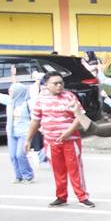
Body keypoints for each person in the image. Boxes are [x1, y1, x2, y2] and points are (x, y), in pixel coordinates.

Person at [25, 72, 95, 208]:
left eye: (61, 83)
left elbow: (79, 116)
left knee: (75, 169)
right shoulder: (41, 99)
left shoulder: (69, 97)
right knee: (58, 170)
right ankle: (61, 196)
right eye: (55, 83)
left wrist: (69, 132)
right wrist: (28, 139)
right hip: (51, 141)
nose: (59, 85)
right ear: (46, 85)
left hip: (71, 140)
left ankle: (82, 197)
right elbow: (35, 120)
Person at [1, 82, 35, 183]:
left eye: (12, 90)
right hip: (11, 133)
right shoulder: (9, 101)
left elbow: (35, 117)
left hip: (25, 132)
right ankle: (18, 176)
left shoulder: (28, 103)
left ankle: (28, 175)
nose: (9, 92)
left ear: (19, 92)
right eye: (10, 90)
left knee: (20, 154)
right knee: (12, 155)